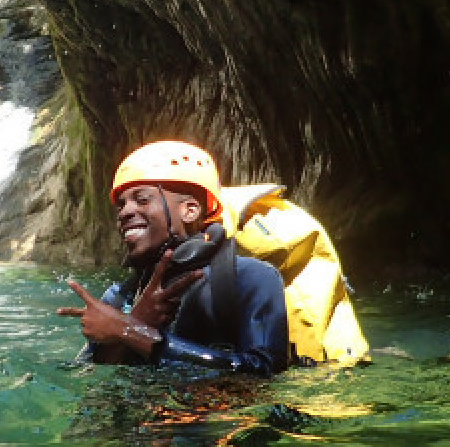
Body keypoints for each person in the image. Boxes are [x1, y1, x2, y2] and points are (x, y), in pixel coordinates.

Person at [56, 140, 288, 377]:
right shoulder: (119, 297)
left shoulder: (249, 278)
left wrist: (132, 331)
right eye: (121, 205)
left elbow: (266, 371)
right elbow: (91, 379)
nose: (125, 212)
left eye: (142, 199)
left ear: (189, 210)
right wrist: (137, 320)